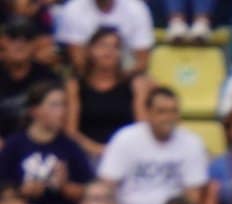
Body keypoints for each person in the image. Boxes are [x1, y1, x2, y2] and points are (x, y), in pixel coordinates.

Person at [97, 86, 208, 204]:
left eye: (173, 111)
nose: (168, 117)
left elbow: (193, 197)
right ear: (148, 113)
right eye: (161, 111)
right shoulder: (125, 139)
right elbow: (107, 186)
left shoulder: (192, 143)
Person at [1, 80, 93, 204]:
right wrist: (21, 190)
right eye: (55, 105)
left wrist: (64, 186)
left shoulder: (70, 146)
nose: (62, 111)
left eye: (64, 105)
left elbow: (87, 191)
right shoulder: (14, 144)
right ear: (34, 111)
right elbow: (3, 185)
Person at [64, 28, 148, 163]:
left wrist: (117, 152)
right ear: (90, 51)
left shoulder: (135, 85)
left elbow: (142, 128)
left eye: (115, 47)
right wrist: (97, 149)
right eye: (102, 46)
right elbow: (71, 131)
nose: (108, 52)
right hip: (86, 154)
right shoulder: (75, 86)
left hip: (126, 154)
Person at [54, 0, 155, 76]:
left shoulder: (137, 8)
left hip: (127, 72)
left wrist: (118, 81)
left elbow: (142, 61)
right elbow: (77, 59)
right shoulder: (73, 8)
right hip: (86, 74)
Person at [0, 18, 55, 137]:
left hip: (37, 145)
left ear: (35, 44)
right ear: (3, 41)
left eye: (27, 38)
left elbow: (56, 121)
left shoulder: (47, 77)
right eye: (13, 37)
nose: (20, 43)